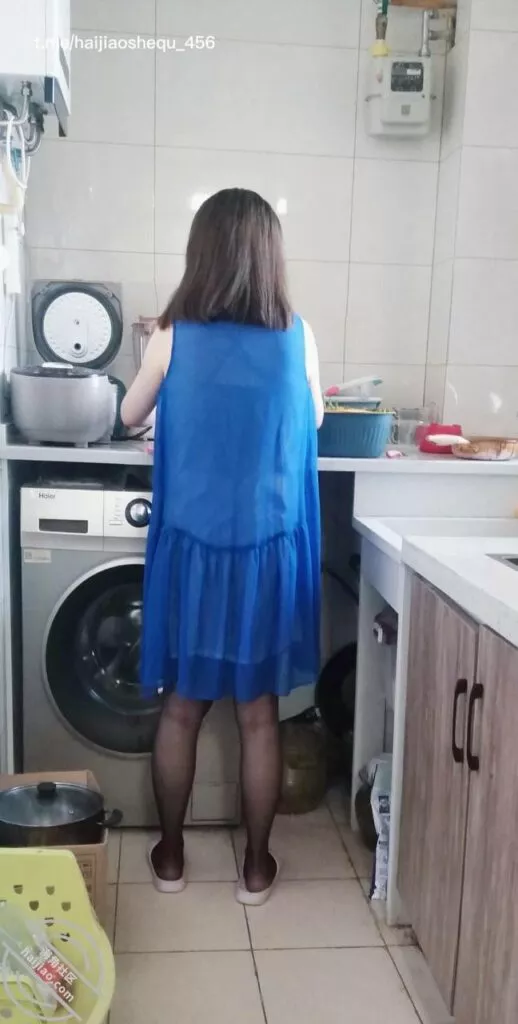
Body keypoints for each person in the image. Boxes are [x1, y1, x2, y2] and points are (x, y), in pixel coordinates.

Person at [121, 188, 323, 905]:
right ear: (270, 258)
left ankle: (171, 858)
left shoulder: (170, 335)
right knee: (258, 716)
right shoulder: (299, 334)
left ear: (200, 254)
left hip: (195, 556)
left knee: (182, 708)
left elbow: (129, 413)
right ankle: (257, 869)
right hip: (267, 555)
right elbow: (315, 417)